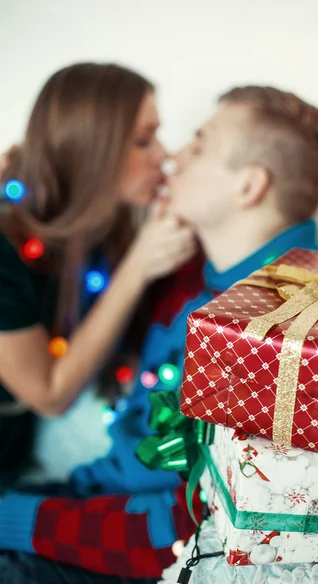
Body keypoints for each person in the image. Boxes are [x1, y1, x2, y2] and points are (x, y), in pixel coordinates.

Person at [0, 85, 318, 584]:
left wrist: (14, 517)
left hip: (155, 560)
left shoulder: (284, 335)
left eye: (198, 146)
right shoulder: (189, 269)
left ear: (249, 187)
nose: (174, 158)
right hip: (94, 496)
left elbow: (189, 524)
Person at [0, 62, 195, 485]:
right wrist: (137, 267)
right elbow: (50, 395)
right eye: (144, 140)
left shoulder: (102, 219)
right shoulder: (6, 239)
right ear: (89, 149)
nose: (164, 155)